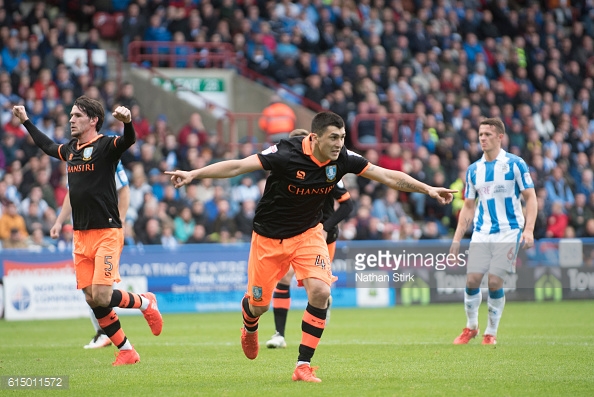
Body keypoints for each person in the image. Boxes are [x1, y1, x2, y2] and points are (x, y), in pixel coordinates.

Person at [166, 111, 455, 382]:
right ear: (315, 138)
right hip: (268, 239)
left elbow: (388, 176)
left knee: (321, 291)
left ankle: (302, 365)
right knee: (259, 305)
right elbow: (239, 166)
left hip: (308, 235)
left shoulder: (343, 158)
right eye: (333, 138)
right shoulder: (285, 153)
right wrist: (195, 174)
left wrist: (427, 189)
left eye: (342, 138)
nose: (339, 144)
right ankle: (249, 322)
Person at [12, 97, 163, 367]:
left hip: (107, 231)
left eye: (77, 115)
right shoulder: (70, 149)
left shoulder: (106, 146)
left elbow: (128, 141)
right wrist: (25, 121)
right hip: (81, 235)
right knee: (91, 297)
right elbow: (47, 146)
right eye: (70, 115)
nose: (71, 120)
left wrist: (128, 122)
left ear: (93, 120)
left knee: (103, 295)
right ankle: (127, 350)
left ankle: (145, 302)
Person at [450, 118, 537, 345]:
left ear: (500, 137)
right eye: (480, 134)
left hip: (509, 231)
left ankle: (491, 332)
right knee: (472, 280)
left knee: (494, 282)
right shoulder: (473, 170)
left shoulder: (515, 164)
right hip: (481, 231)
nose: (483, 138)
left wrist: (528, 230)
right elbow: (468, 207)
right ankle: (471, 327)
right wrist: (457, 239)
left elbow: (530, 197)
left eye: (488, 134)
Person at [266, 128, 354, 349]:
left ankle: (323, 305)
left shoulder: (329, 171)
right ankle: (279, 334)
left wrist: (326, 227)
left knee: (315, 288)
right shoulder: (286, 169)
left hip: (323, 235)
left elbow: (347, 204)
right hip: (294, 233)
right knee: (284, 278)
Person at [50, 160, 131, 350]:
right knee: (88, 290)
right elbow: (73, 194)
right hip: (81, 233)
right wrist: (59, 221)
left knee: (102, 291)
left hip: (105, 232)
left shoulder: (107, 155)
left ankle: (141, 304)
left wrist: (120, 222)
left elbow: (124, 189)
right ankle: (105, 333)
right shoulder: (74, 160)